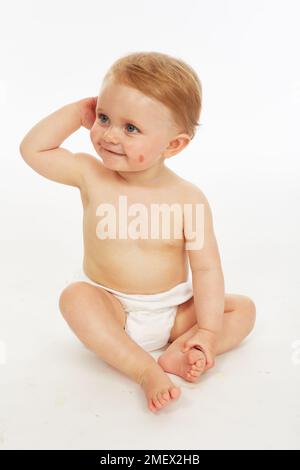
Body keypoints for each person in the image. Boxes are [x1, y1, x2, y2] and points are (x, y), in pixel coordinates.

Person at [19, 51, 256, 413]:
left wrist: (207, 329)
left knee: (243, 310)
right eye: (103, 117)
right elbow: (33, 149)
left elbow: (207, 270)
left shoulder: (187, 198)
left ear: (173, 145)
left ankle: (185, 349)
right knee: (75, 299)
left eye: (130, 128)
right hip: (110, 306)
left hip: (173, 311)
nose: (110, 135)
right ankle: (145, 370)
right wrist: (76, 112)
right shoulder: (91, 174)